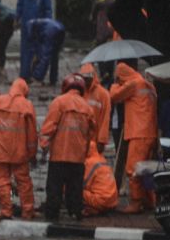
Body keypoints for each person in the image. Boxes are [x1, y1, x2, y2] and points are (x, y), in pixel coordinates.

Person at [39, 74, 96, 220]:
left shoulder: (59, 102)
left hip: (59, 155)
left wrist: (44, 147)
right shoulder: (87, 107)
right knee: (75, 190)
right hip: (77, 158)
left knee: (54, 190)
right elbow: (91, 132)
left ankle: (52, 217)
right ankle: (75, 215)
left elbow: (49, 127)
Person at [0, 78, 38, 220]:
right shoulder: (27, 105)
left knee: (2, 181)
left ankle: (6, 211)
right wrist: (32, 154)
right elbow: (32, 134)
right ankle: (27, 211)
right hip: (19, 152)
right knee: (23, 181)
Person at [109, 61, 159, 213]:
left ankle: (136, 203)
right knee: (146, 170)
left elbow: (114, 96)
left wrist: (115, 84)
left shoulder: (133, 84)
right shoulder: (149, 86)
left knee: (133, 169)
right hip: (150, 133)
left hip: (139, 133)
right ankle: (150, 201)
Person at [15, 0, 53, 81]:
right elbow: (19, 6)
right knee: (25, 52)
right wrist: (17, 18)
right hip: (26, 27)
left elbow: (48, 10)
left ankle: (36, 74)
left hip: (39, 27)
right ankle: (24, 74)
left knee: (39, 52)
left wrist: (47, 24)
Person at [78, 63, 112, 153]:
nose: (86, 81)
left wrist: (102, 140)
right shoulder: (79, 91)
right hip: (79, 138)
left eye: (87, 79)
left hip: (94, 141)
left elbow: (105, 119)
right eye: (84, 79)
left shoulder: (103, 94)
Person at [25, 18, 66, 86]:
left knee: (45, 56)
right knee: (54, 56)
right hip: (60, 28)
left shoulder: (30, 25)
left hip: (51, 31)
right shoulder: (39, 23)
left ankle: (37, 78)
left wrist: (35, 55)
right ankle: (53, 79)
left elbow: (31, 38)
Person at [82, 148, 119, 216]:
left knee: (74, 189)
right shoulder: (102, 159)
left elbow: (83, 184)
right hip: (113, 201)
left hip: (102, 200)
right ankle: (98, 208)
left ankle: (93, 208)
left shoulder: (89, 162)